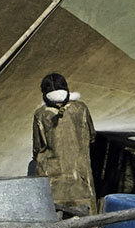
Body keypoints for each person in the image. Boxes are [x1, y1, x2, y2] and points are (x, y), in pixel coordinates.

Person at [31, 73, 97, 216]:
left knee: (53, 215)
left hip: (53, 176)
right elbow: (92, 136)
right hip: (79, 173)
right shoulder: (81, 108)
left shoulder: (41, 114)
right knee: (85, 216)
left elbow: (38, 147)